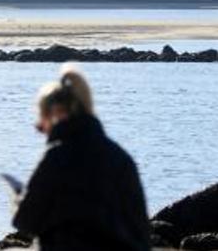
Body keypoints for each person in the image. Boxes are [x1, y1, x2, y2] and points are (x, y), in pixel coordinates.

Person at [12, 66, 151, 251]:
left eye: (41, 123)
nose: (42, 131)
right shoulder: (120, 157)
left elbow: (25, 222)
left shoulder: (57, 157)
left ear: (57, 114)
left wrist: (18, 200)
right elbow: (141, 231)